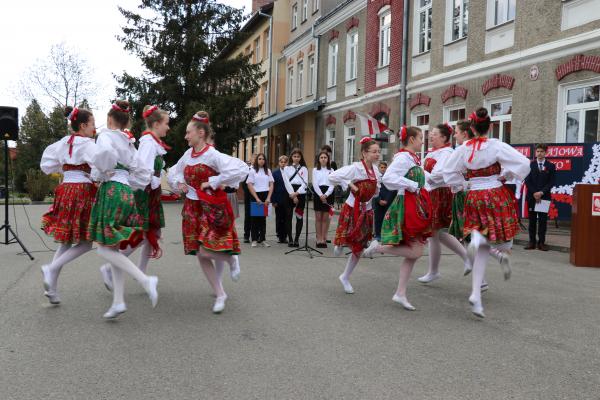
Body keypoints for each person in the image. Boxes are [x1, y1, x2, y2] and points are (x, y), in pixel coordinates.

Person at [443, 107, 529, 318]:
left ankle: (476, 295)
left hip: (474, 195)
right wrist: (506, 175)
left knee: (482, 245)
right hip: (494, 194)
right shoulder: (496, 145)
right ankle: (480, 243)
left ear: (471, 128)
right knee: (500, 241)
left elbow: (448, 172)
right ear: (489, 127)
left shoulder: (463, 149)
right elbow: (524, 163)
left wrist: (463, 183)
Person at [168, 111, 248, 313]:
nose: (185, 136)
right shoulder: (187, 155)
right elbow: (174, 172)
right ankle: (220, 293)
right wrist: (179, 183)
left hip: (210, 207)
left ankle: (231, 259)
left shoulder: (212, 155)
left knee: (206, 250)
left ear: (201, 133)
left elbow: (241, 169)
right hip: (192, 207)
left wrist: (214, 180)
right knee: (200, 254)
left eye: (189, 132)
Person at [87, 100, 158, 319]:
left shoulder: (106, 136)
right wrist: (127, 180)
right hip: (127, 192)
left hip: (112, 191)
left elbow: (103, 158)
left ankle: (145, 280)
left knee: (103, 249)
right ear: (126, 122)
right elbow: (142, 172)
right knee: (114, 249)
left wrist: (101, 172)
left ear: (109, 119)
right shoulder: (128, 142)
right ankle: (118, 301)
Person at [99, 105, 170, 290]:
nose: (168, 127)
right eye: (166, 123)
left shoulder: (154, 142)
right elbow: (142, 169)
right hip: (144, 193)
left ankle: (139, 272)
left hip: (151, 192)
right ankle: (112, 267)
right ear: (156, 124)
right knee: (142, 234)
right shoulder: (148, 142)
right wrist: (152, 183)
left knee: (153, 234)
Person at [363, 127, 432, 310]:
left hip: (415, 204)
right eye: (420, 137)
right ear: (411, 139)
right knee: (416, 251)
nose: (423, 141)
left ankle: (400, 293)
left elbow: (426, 179)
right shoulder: (403, 158)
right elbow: (388, 178)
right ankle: (378, 247)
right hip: (406, 206)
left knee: (413, 254)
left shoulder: (413, 158)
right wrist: (411, 185)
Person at [39, 106, 98, 305]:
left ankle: (51, 289)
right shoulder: (88, 144)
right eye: (92, 124)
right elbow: (101, 166)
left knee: (65, 241)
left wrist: (66, 168)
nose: (94, 128)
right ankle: (51, 268)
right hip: (82, 192)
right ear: (83, 125)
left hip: (65, 190)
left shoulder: (63, 143)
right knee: (86, 243)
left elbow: (47, 165)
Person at [418, 123, 471, 284]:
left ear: (443, 137)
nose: (430, 136)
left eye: (434, 134)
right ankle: (434, 271)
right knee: (434, 235)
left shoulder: (447, 153)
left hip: (440, 194)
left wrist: (417, 170)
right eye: (431, 133)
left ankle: (466, 259)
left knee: (436, 232)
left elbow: (437, 176)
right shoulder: (433, 152)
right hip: (431, 193)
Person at [328, 137, 381, 295]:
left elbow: (376, 191)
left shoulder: (376, 171)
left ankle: (345, 276)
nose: (377, 154)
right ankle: (339, 243)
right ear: (364, 153)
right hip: (352, 209)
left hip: (366, 212)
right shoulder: (356, 168)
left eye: (378, 151)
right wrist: (350, 185)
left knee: (359, 248)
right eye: (374, 151)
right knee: (345, 239)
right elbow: (332, 177)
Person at [524, 143, 556, 251]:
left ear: (546, 152)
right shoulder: (530, 165)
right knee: (532, 220)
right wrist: (534, 193)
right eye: (538, 151)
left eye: (542, 151)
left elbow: (551, 182)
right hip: (532, 197)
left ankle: (541, 242)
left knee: (542, 221)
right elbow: (527, 181)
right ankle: (531, 242)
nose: (539, 153)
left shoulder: (550, 166)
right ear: (535, 152)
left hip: (543, 197)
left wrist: (541, 193)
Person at [283, 149, 309, 247]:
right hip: (289, 192)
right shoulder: (287, 168)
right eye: (294, 156)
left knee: (299, 216)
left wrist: (297, 193)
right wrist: (292, 194)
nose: (296, 158)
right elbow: (286, 182)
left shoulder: (304, 169)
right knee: (288, 216)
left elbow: (305, 183)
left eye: (298, 156)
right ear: (291, 157)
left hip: (300, 193)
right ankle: (290, 238)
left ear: (301, 158)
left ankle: (297, 239)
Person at [247, 153, 274, 247]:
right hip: (256, 195)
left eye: (263, 159)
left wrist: (268, 197)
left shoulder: (268, 171)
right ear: (257, 160)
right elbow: (249, 185)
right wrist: (256, 198)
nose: (261, 160)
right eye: (259, 159)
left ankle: (262, 239)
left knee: (263, 219)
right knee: (255, 219)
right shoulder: (253, 171)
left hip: (265, 194)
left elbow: (271, 184)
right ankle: (254, 239)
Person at [312, 151, 334, 248]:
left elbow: (332, 184)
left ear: (328, 159)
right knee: (318, 218)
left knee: (325, 218)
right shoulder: (315, 170)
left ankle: (323, 239)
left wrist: (326, 194)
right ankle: (318, 238)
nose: (323, 159)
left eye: (325, 157)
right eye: (321, 157)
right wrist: (321, 195)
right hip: (318, 193)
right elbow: (315, 184)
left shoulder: (331, 170)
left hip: (328, 194)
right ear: (319, 159)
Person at [372, 161, 396, 241]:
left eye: (384, 167)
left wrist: (387, 200)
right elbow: (374, 189)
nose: (383, 169)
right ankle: (378, 234)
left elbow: (392, 190)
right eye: (381, 167)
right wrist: (379, 200)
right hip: (378, 201)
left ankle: (387, 234)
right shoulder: (375, 177)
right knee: (378, 219)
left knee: (388, 218)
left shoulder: (390, 177)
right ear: (378, 168)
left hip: (388, 201)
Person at [272, 155, 290, 243]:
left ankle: (285, 235)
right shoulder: (275, 173)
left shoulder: (290, 172)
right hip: (278, 199)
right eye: (281, 162)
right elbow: (272, 187)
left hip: (287, 198)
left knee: (287, 217)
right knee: (279, 218)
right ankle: (279, 235)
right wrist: (273, 200)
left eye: (285, 162)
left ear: (287, 163)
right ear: (279, 163)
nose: (283, 164)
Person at [242, 154, 257, 243]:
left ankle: (257, 236)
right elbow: (244, 184)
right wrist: (250, 191)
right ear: (250, 160)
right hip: (249, 196)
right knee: (248, 215)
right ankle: (246, 235)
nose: (255, 160)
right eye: (253, 159)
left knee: (258, 215)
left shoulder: (262, 170)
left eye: (257, 159)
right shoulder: (247, 170)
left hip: (259, 195)